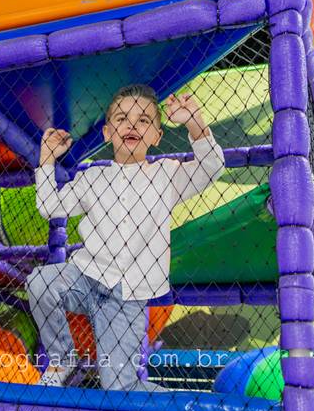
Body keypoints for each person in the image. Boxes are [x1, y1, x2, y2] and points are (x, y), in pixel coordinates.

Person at [26, 84, 225, 391]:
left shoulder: (167, 174)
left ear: (157, 136)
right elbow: (49, 206)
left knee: (120, 387)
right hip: (86, 278)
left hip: (128, 296)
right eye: (121, 119)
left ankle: (182, 406)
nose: (132, 125)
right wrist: (47, 159)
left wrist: (194, 122)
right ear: (107, 133)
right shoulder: (92, 177)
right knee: (40, 282)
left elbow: (212, 166)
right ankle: (61, 359)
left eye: (143, 120)